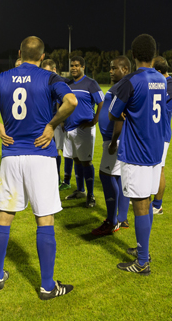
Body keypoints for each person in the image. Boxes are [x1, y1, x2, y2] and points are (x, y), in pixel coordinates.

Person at [0, 36, 77, 300]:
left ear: (19, 53)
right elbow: (71, 102)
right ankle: (47, 286)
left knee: (4, 216)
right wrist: (51, 126)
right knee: (44, 219)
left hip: (11, 155)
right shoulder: (49, 78)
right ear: (42, 55)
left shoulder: (1, 78)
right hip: (41, 155)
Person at [109, 34, 167, 275]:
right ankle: (144, 250)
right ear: (153, 55)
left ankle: (142, 262)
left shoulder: (131, 81)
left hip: (137, 151)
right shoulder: (162, 80)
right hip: (155, 149)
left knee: (140, 204)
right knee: (147, 200)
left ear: (133, 56)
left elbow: (113, 113)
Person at [91, 56, 131, 236]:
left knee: (105, 175)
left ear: (125, 69)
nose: (111, 71)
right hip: (116, 139)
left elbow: (120, 116)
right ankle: (121, 218)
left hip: (114, 140)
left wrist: (114, 141)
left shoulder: (122, 87)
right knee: (118, 178)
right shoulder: (121, 86)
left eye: (114, 68)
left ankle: (111, 221)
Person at [62, 56, 104, 208]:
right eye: (72, 65)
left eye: (77, 65)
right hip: (69, 128)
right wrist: (62, 120)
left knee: (86, 161)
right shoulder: (67, 84)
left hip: (84, 129)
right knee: (76, 159)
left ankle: (91, 195)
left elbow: (101, 102)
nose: (73, 68)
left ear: (83, 67)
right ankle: (80, 190)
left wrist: (94, 120)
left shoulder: (90, 83)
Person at [151, 56, 172, 215]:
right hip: (151, 132)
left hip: (162, 133)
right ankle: (146, 200)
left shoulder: (171, 85)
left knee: (159, 168)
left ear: (158, 71)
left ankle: (157, 205)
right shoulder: (156, 83)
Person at [41, 59, 66, 185]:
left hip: (56, 121)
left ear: (54, 70)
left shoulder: (59, 82)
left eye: (48, 72)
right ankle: (50, 177)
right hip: (44, 121)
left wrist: (61, 121)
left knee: (59, 150)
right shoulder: (42, 83)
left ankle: (59, 178)